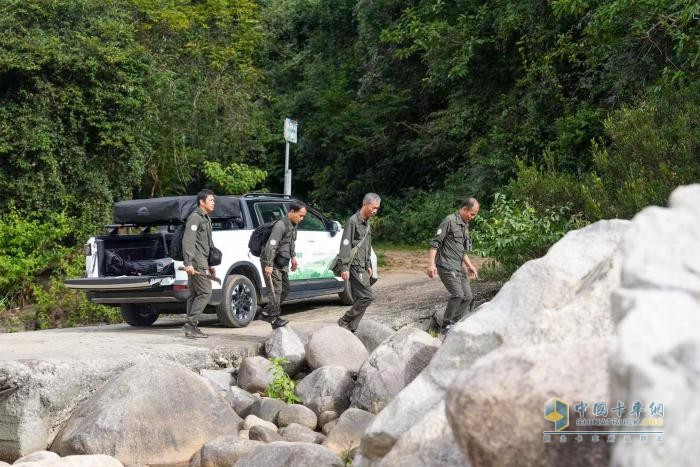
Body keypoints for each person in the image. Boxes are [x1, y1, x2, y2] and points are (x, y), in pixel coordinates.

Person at [427, 197, 480, 334]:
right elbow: (435, 243)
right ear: (463, 209)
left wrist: (469, 265)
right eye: (471, 214)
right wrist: (431, 264)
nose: (472, 217)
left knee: (468, 296)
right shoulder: (449, 221)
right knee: (458, 294)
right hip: (446, 265)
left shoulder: (465, 225)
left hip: (459, 267)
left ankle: (455, 323)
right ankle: (446, 325)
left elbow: (461, 250)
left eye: (474, 215)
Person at [258, 202, 307, 329]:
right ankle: (274, 319)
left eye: (303, 217)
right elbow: (271, 245)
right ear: (292, 211)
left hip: (281, 261)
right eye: (300, 216)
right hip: (271, 261)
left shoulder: (293, 225)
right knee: (276, 290)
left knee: (285, 289)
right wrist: (268, 264)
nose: (301, 219)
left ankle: (265, 313)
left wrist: (293, 257)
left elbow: (290, 243)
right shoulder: (280, 225)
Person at [337, 193, 381, 332]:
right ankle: (345, 319)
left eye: (377, 208)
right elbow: (345, 244)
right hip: (354, 265)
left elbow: (367, 244)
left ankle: (351, 328)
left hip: (362, 265)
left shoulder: (367, 221)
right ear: (365, 204)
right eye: (373, 208)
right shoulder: (353, 221)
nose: (375, 211)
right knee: (367, 297)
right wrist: (344, 267)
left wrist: (368, 264)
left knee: (362, 298)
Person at [182, 189, 217, 338]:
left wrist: (211, 263)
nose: (213, 203)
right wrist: (188, 262)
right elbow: (188, 241)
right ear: (202, 202)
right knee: (205, 292)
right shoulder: (195, 218)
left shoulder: (205, 218)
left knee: (194, 294)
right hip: (196, 260)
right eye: (210, 200)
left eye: (213, 200)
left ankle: (191, 327)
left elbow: (207, 243)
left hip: (202, 260)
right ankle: (190, 324)